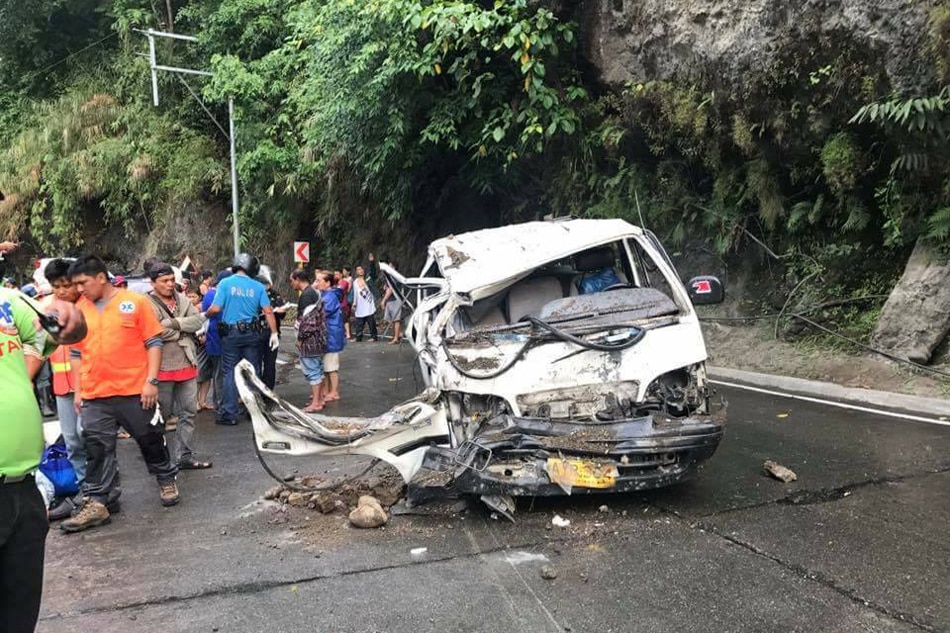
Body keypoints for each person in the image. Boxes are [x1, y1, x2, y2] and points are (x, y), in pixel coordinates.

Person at [60, 255, 180, 534]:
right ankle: (98, 501)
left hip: (135, 391)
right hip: (95, 394)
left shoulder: (134, 303)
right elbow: (76, 353)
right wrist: (79, 391)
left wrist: (151, 381)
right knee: (97, 448)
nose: (79, 289)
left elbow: (153, 342)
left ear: (101, 278)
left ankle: (166, 479)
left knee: (150, 438)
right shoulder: (80, 309)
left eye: (83, 282)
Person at [0, 284, 86, 633]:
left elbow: (65, 327)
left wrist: (68, 315)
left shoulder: (5, 298)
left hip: (22, 489)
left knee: (18, 617)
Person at [147, 262, 211, 470]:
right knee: (161, 417)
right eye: (164, 281)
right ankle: (161, 460)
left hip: (186, 363)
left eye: (171, 280)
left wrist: (174, 324)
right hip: (162, 368)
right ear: (153, 282)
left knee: (189, 412)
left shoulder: (182, 299)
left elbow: (198, 322)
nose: (169, 284)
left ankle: (183, 455)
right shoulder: (146, 303)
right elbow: (153, 331)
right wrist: (183, 328)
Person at [204, 254, 279, 426]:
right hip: (253, 334)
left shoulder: (225, 283)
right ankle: (254, 411)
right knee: (252, 371)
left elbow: (215, 308)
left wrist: (205, 315)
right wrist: (274, 333)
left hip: (231, 335)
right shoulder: (258, 286)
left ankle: (229, 414)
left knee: (229, 371)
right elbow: (268, 311)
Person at [41, 259, 89, 520]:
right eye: (56, 286)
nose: (61, 291)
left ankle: (103, 491)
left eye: (66, 285)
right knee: (72, 441)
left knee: (90, 437)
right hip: (62, 387)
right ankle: (85, 493)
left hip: (89, 386)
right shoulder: (48, 312)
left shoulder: (87, 310)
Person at [290, 270, 327, 412]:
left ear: (298, 279)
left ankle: (316, 403)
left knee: (313, 371)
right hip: (318, 338)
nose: (291, 284)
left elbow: (308, 322)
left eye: (292, 280)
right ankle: (320, 399)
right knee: (318, 369)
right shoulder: (314, 292)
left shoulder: (306, 296)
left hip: (310, 341)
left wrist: (300, 339)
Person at [198, 270, 229, 413]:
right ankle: (220, 404)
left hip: (212, 339)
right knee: (220, 373)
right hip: (219, 339)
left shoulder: (209, 294)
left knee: (218, 372)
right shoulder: (217, 295)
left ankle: (220, 402)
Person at [315, 270, 345, 401]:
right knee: (325, 366)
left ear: (327, 283)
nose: (316, 283)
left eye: (319, 280)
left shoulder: (330, 297)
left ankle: (334, 391)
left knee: (331, 367)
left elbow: (322, 312)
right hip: (327, 334)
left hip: (331, 335)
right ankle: (326, 390)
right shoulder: (324, 294)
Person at [258, 274, 287, 390]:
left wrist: (279, 311)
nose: (267, 287)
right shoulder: (254, 294)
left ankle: (268, 389)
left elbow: (282, 313)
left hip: (272, 333)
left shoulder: (275, 295)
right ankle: (258, 388)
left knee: (270, 364)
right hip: (257, 332)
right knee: (256, 362)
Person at [380, 261, 405, 345]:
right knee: (390, 319)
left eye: (390, 266)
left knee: (396, 319)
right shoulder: (389, 277)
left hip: (395, 299)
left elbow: (390, 290)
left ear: (393, 268)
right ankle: (398, 334)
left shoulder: (394, 277)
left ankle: (396, 338)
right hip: (390, 300)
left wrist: (383, 301)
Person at [351, 265, 378, 342]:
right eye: (358, 269)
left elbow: (373, 274)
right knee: (359, 322)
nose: (360, 270)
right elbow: (355, 293)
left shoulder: (368, 278)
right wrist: (354, 303)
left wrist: (371, 263)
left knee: (371, 322)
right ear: (356, 272)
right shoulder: (355, 282)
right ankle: (358, 337)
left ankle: (374, 336)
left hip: (369, 303)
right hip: (360, 304)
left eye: (361, 269)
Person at [336, 268, 352, 341]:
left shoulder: (344, 282)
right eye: (335, 274)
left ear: (341, 275)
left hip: (343, 303)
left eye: (337, 274)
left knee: (344, 318)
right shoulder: (335, 283)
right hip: (336, 303)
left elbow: (343, 290)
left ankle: (348, 333)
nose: (336, 276)